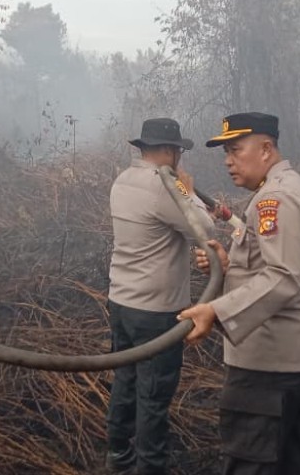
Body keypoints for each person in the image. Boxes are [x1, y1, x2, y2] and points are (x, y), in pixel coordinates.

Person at [179, 113, 300, 475]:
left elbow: (282, 276)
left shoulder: (277, 198)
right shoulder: (281, 189)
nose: (228, 160)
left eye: (236, 150)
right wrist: (228, 265)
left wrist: (216, 311)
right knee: (297, 462)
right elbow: (270, 269)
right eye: (226, 152)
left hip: (271, 366)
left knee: (251, 464)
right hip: (298, 358)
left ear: (266, 149)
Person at [106, 118, 215, 475]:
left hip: (121, 304)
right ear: (170, 151)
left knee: (126, 381)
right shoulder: (163, 187)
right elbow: (206, 228)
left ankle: (118, 458)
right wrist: (186, 191)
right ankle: (150, 468)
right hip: (156, 313)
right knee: (153, 397)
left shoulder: (122, 180)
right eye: (178, 151)